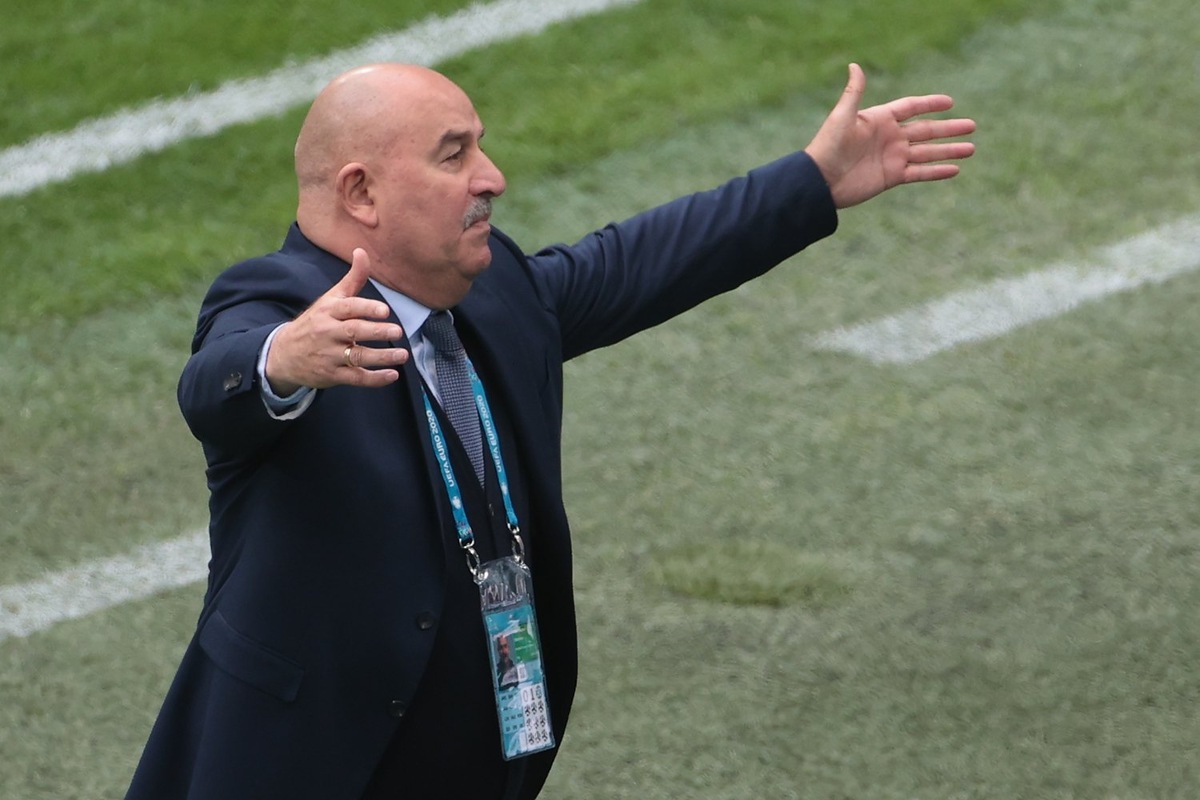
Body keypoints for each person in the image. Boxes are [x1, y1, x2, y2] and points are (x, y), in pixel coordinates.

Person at [125, 61, 974, 799]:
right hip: (310, 771)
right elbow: (216, 387)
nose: (491, 177)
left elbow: (638, 262)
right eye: (454, 155)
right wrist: (281, 361)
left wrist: (811, 182)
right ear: (361, 193)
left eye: (480, 147)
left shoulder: (494, 289)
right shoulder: (278, 305)